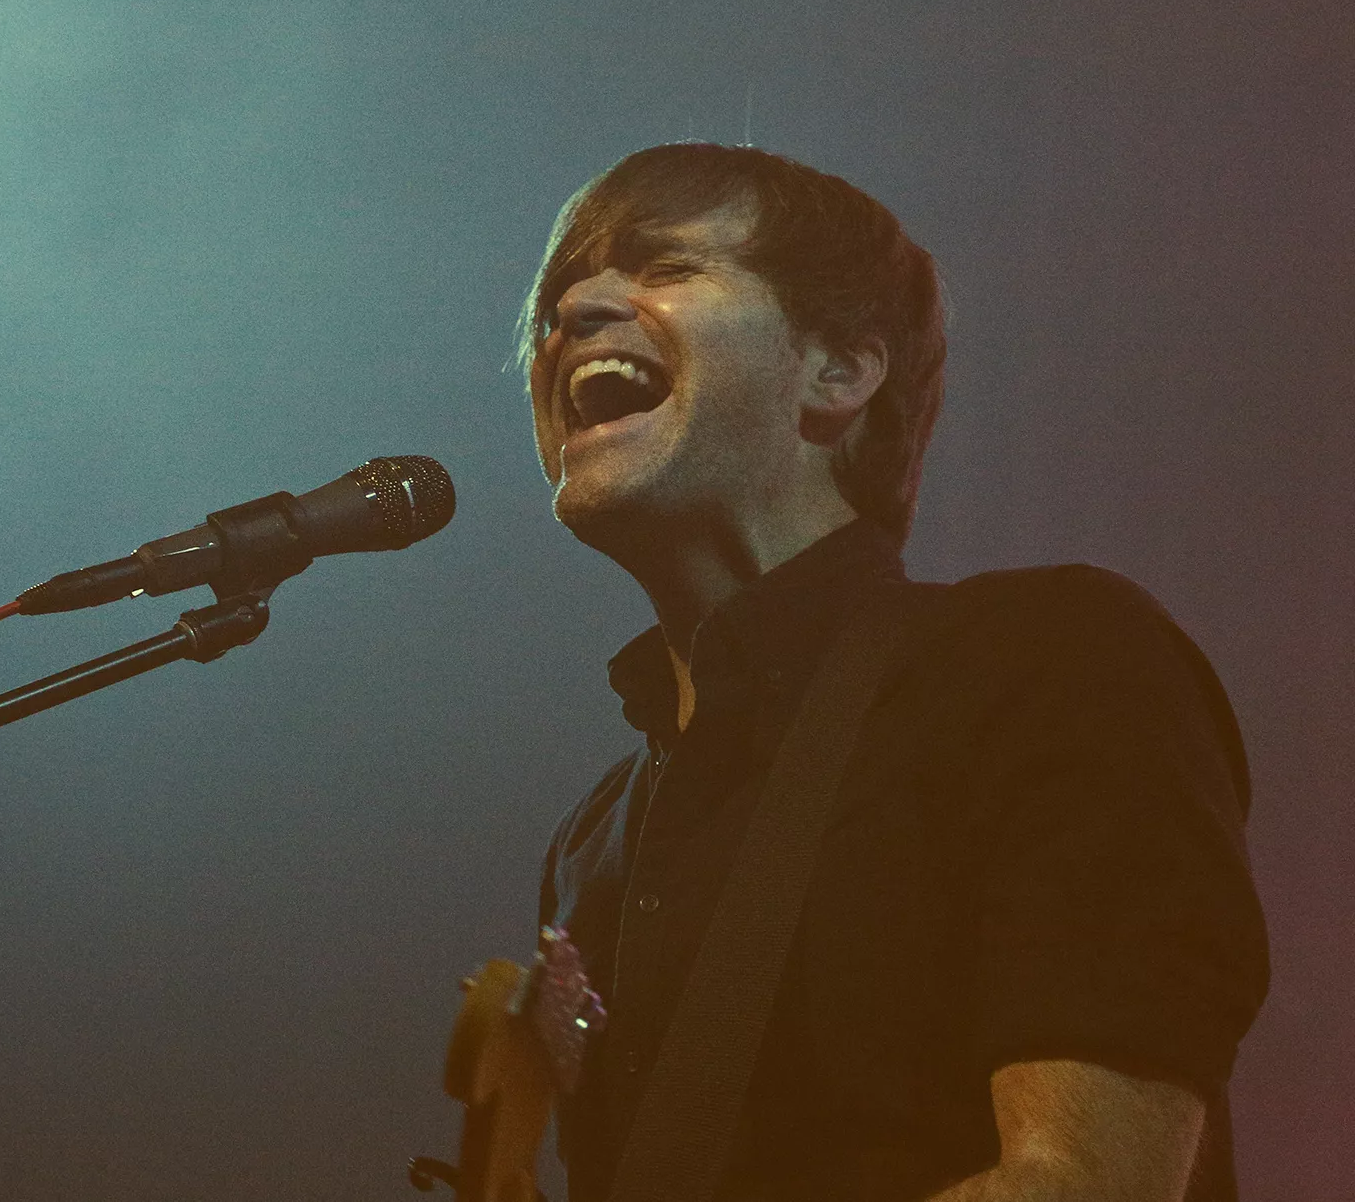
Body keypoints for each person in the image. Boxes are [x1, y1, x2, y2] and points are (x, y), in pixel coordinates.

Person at [523, 143, 1268, 1202]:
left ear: (839, 370)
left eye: (665, 266)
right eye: (557, 299)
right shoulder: (591, 840)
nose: (575, 310)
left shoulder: (1045, 661)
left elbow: (1083, 1185)